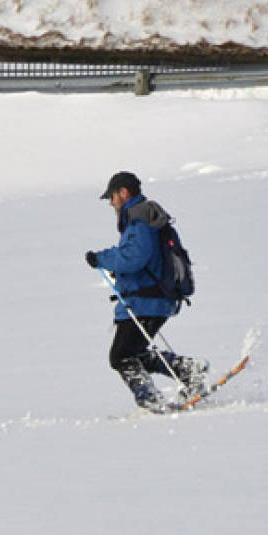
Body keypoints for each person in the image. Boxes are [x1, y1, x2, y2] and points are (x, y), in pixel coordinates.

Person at [84, 171, 208, 412]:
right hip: (153, 299)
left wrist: (102, 258)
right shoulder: (144, 217)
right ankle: (187, 371)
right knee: (135, 353)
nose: (111, 204)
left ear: (123, 193)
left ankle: (150, 399)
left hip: (146, 300)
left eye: (112, 197)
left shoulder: (139, 219)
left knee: (121, 356)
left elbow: (134, 258)